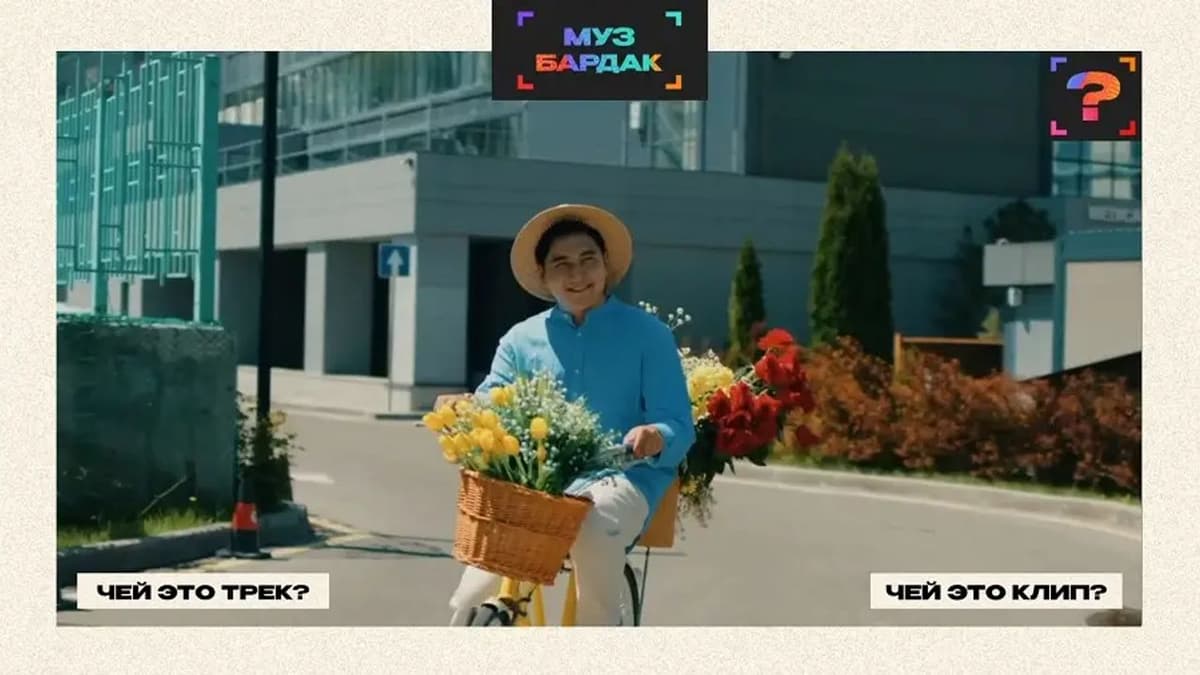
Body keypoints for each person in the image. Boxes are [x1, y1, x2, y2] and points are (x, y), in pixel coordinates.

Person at [443, 203, 695, 626]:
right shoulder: (520, 339)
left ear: (606, 265)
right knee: (479, 574)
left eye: (587, 259)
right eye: (561, 263)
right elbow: (490, 402)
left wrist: (655, 435)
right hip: (536, 482)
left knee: (594, 529)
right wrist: (462, 409)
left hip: (622, 478)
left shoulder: (648, 334)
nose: (576, 274)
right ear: (543, 275)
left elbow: (678, 423)